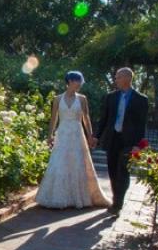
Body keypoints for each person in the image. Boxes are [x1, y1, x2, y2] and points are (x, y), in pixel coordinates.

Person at [35, 71, 111, 209]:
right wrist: (49, 135)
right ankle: (58, 197)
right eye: (78, 81)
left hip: (77, 134)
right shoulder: (57, 99)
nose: (80, 84)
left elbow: (86, 118)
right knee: (59, 162)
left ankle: (77, 197)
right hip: (63, 133)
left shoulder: (82, 99)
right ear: (70, 81)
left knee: (77, 163)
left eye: (81, 81)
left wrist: (90, 136)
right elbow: (54, 118)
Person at [93, 67, 149, 216]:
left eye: (118, 77)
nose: (115, 79)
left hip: (129, 142)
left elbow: (141, 124)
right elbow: (103, 119)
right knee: (112, 170)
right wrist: (96, 136)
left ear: (127, 78)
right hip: (112, 139)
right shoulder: (110, 97)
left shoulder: (141, 99)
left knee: (123, 171)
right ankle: (116, 198)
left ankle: (118, 204)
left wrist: (138, 145)